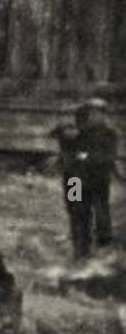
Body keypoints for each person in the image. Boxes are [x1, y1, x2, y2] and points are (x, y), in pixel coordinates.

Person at [51, 99, 118, 258]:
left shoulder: (108, 134)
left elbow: (106, 157)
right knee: (77, 214)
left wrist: (83, 157)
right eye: (91, 113)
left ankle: (102, 247)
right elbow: (58, 138)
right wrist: (65, 133)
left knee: (101, 214)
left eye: (99, 113)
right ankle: (80, 250)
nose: (95, 117)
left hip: (97, 179)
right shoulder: (77, 132)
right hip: (75, 180)